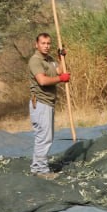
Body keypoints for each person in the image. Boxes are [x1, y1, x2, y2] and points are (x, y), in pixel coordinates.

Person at [27, 32, 70, 179]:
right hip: (40, 102)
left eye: (48, 43)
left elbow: (61, 71)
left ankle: (36, 167)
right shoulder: (35, 61)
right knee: (44, 138)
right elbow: (43, 81)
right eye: (43, 43)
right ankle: (42, 171)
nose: (46, 46)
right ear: (36, 45)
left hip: (49, 102)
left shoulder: (50, 60)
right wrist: (60, 78)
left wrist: (61, 58)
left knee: (46, 136)